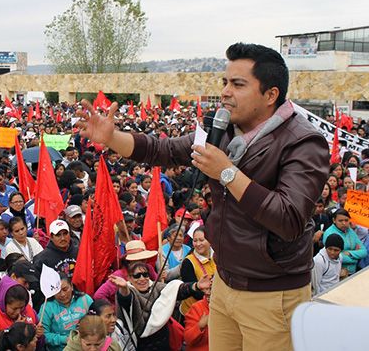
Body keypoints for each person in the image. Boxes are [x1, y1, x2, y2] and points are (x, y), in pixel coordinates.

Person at [77, 43, 330, 350]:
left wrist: (228, 173)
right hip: (224, 283)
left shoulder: (303, 142)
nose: (224, 92)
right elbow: (165, 150)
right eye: (225, 82)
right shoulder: (220, 129)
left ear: (270, 94)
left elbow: (288, 218)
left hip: (271, 294)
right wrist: (112, 138)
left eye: (237, 84)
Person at [109, 261, 210, 350]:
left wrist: (196, 286)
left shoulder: (156, 287)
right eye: (137, 276)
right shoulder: (128, 290)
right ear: (129, 278)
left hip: (162, 342)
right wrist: (124, 288)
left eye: (145, 274)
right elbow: (126, 300)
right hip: (140, 345)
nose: (142, 278)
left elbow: (176, 291)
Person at [0, 277, 43, 351]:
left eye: (22, 307)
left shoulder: (30, 311)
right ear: (3, 303)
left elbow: (38, 346)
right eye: (14, 309)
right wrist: (14, 330)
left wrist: (39, 336)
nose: (18, 312)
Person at [39, 273, 92, 351]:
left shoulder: (85, 299)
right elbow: (44, 334)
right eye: (57, 291)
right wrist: (64, 339)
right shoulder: (47, 307)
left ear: (72, 286)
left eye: (65, 289)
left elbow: (97, 322)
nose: (62, 294)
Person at [93, 240, 158, 305]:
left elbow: (157, 284)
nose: (142, 278)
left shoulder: (149, 268)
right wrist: (116, 310)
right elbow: (98, 295)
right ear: (129, 261)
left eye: (144, 259)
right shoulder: (119, 275)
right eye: (138, 260)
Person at [179, 226, 216, 315]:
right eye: (195, 241)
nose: (198, 244)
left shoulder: (217, 256)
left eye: (201, 240)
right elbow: (193, 291)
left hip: (215, 307)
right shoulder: (188, 262)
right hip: (194, 312)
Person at [322, 208, 367, 275]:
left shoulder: (350, 231)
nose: (344, 223)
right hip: (336, 273)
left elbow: (364, 252)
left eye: (346, 220)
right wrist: (355, 260)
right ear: (334, 220)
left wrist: (349, 253)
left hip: (352, 272)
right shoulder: (329, 233)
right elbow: (333, 255)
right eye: (340, 221)